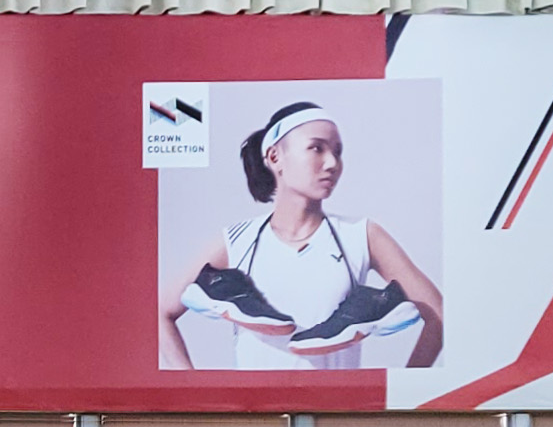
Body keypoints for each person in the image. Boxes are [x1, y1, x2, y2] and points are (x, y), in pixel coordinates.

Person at [161, 98, 444, 370]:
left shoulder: (361, 235)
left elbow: (439, 313)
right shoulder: (238, 240)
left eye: (337, 152)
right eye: (316, 148)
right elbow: (160, 313)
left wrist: (405, 391)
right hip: (255, 404)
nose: (332, 163)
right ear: (275, 157)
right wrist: (192, 389)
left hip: (336, 404)